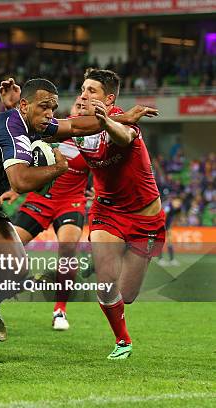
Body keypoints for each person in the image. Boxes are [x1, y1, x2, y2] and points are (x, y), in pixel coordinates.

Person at [0, 77, 157, 361]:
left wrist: (122, 117)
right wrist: (59, 168)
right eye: (44, 107)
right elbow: (20, 181)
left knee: (18, 268)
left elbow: (73, 126)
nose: (50, 114)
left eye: (54, 108)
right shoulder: (12, 130)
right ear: (25, 105)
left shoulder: (32, 123)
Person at [48, 68, 165, 359]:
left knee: (127, 296)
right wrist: (14, 107)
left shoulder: (122, 121)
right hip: (106, 211)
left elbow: (124, 137)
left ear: (109, 99)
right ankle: (123, 341)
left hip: (144, 217)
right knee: (105, 284)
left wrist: (106, 121)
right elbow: (42, 127)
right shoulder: (78, 126)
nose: (84, 95)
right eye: (83, 89)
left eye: (92, 91)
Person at [5, 96, 90, 331]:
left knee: (68, 247)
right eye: (78, 103)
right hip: (40, 199)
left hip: (71, 201)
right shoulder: (52, 129)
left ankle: (60, 310)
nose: (81, 106)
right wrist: (13, 189)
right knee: (5, 246)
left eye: (86, 104)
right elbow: (26, 159)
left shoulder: (95, 140)